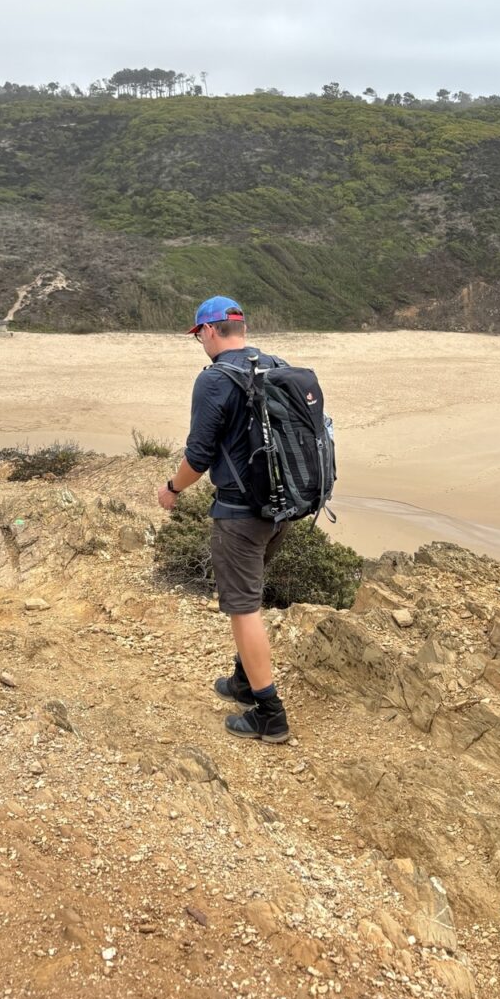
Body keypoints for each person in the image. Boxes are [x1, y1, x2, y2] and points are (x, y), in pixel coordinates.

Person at [157, 296, 291, 744]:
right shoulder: (276, 364)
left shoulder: (215, 380)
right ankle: (242, 681)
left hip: (240, 513)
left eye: (198, 335)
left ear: (210, 331)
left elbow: (198, 457)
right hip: (284, 507)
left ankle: (269, 713)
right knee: (248, 595)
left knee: (243, 608)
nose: (199, 343)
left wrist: (172, 490)